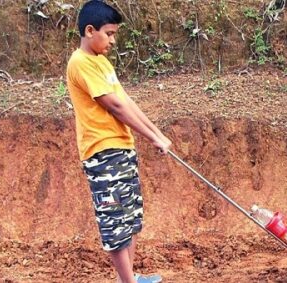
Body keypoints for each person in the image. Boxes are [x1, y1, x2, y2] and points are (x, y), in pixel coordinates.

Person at [66, 1, 171, 282]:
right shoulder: (81, 63)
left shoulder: (101, 62)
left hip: (121, 148)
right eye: (109, 33)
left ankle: (131, 278)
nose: (112, 40)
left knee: (130, 220)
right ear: (90, 30)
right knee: (114, 222)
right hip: (102, 153)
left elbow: (127, 101)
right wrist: (152, 137)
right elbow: (114, 106)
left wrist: (157, 134)